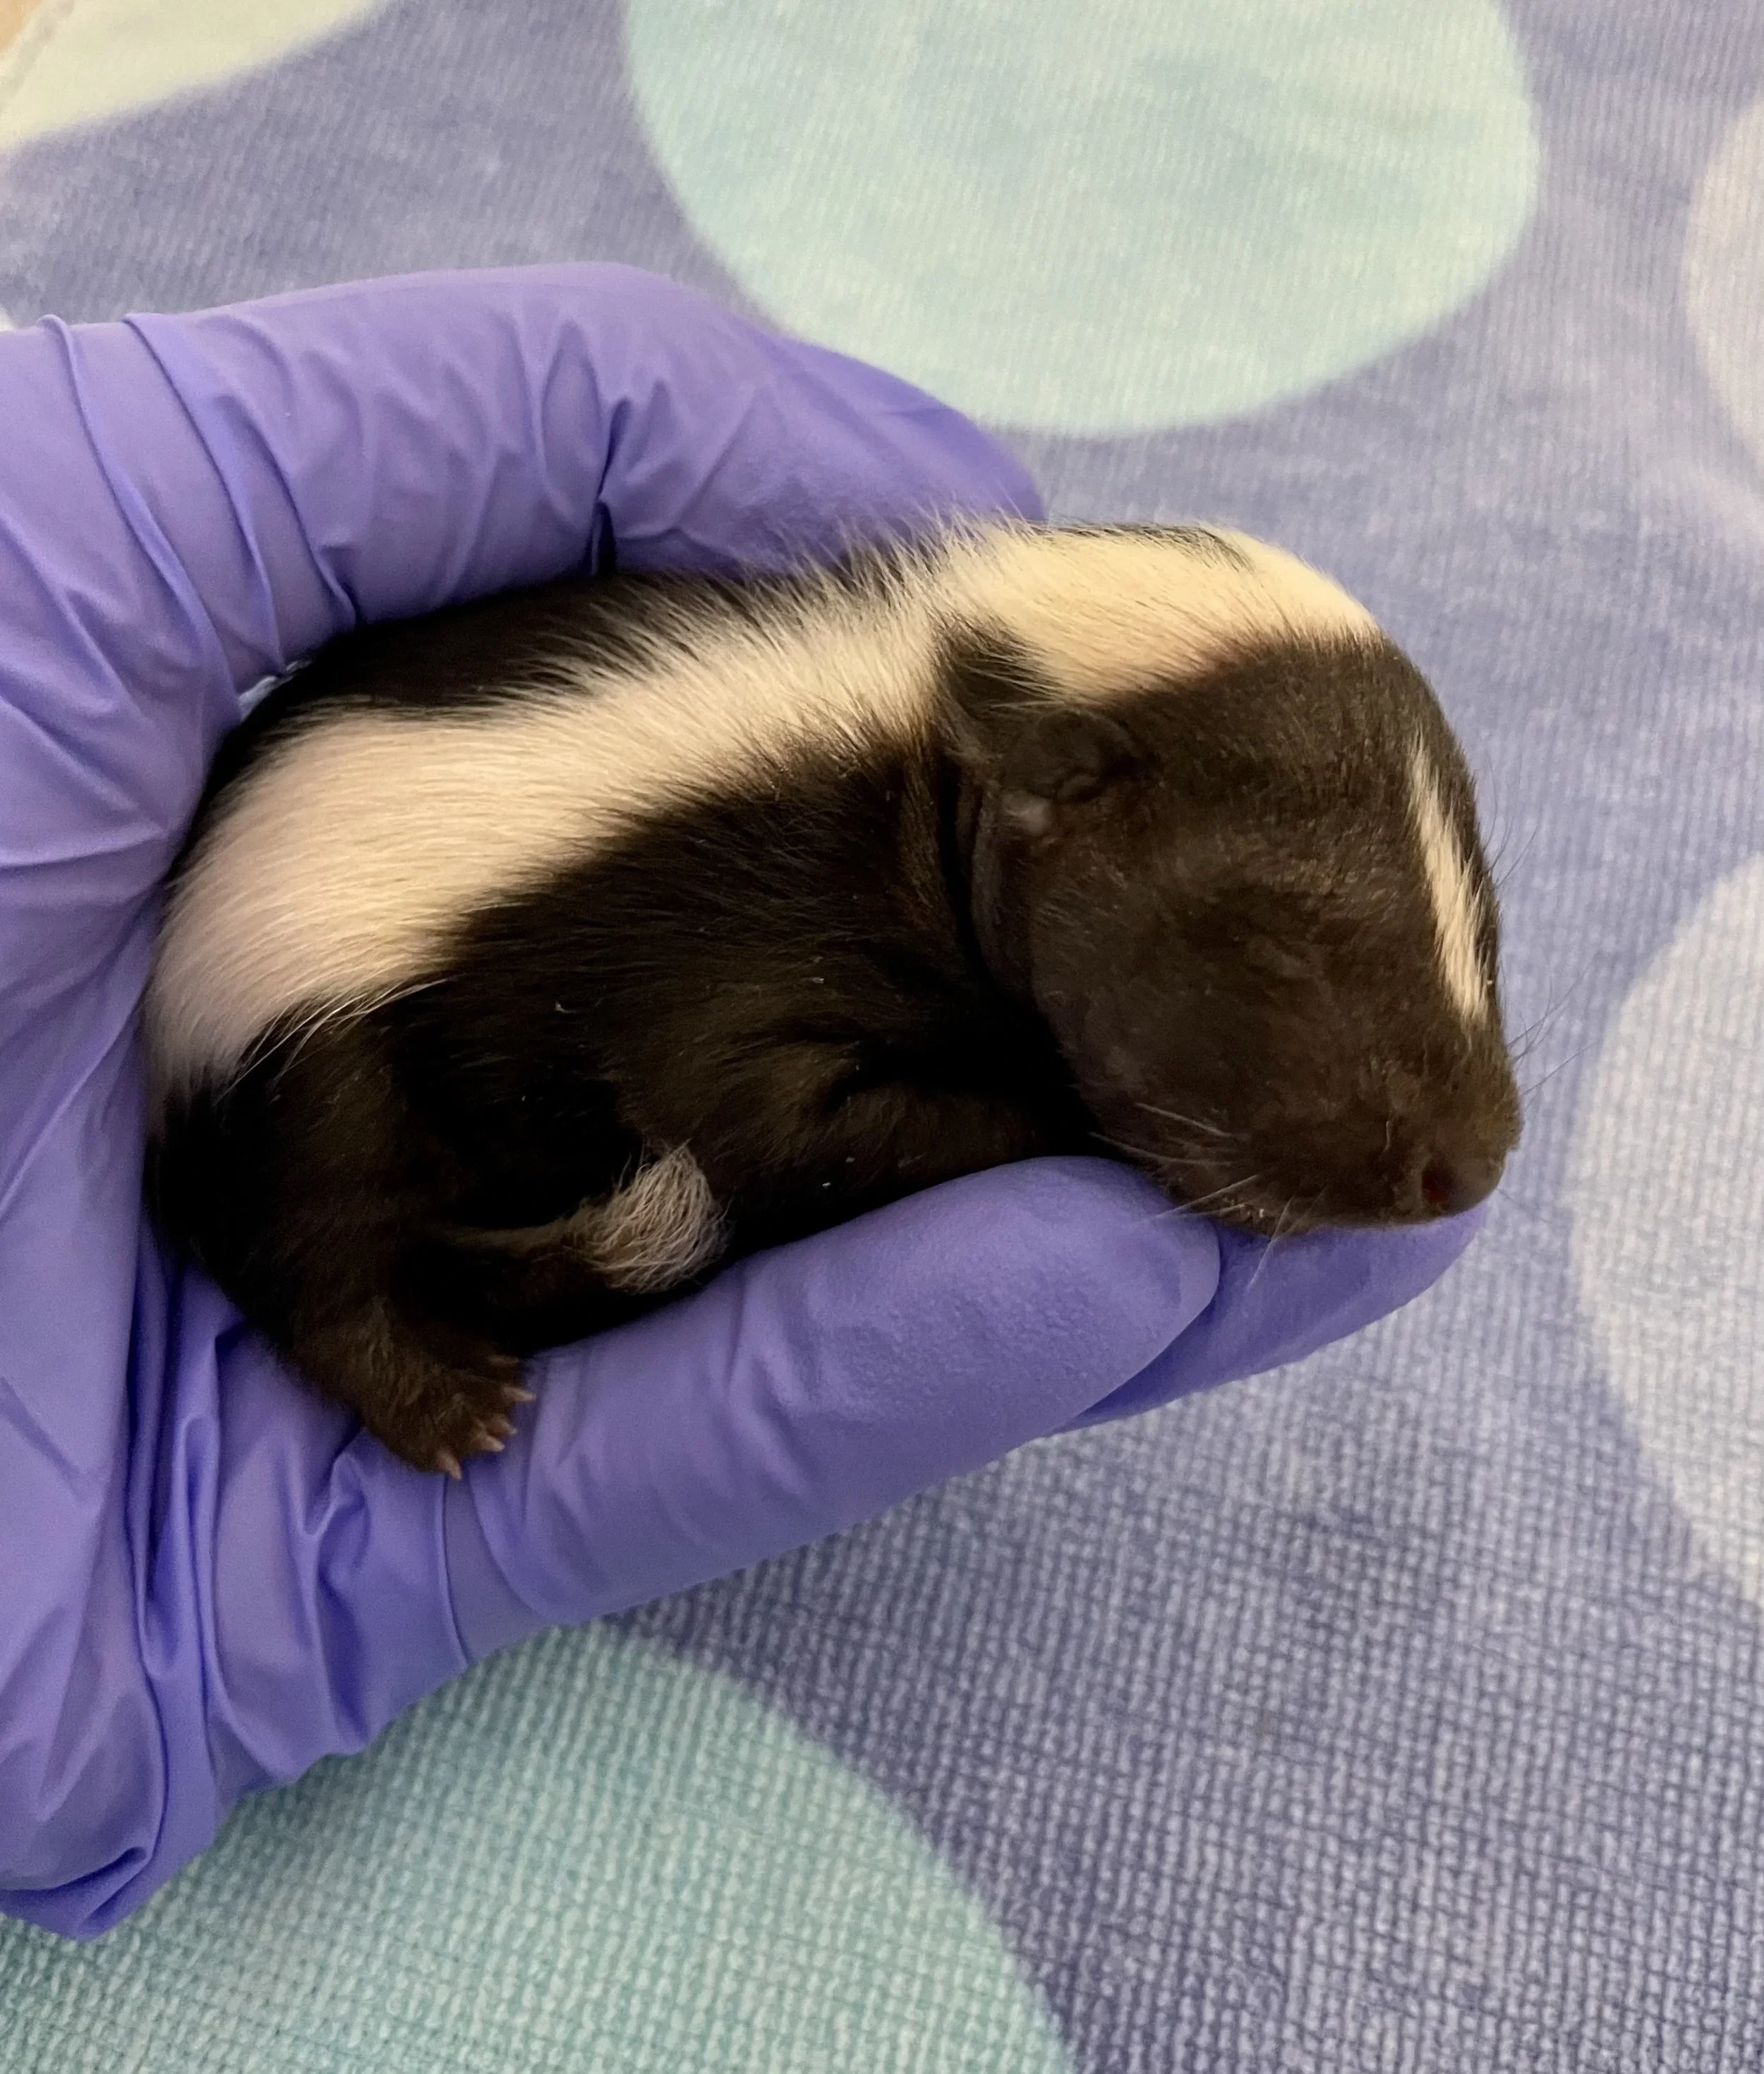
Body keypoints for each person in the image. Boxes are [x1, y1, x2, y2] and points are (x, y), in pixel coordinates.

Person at [0, 263, 1481, 1938]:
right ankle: (354, 1322)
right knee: (351, 1199)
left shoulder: (977, 853)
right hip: (303, 1031)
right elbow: (768, 1125)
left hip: (522, 1040)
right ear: (1060, 804)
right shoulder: (808, 847)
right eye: (1301, 970)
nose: (1457, 1119)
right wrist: (1025, 1130)